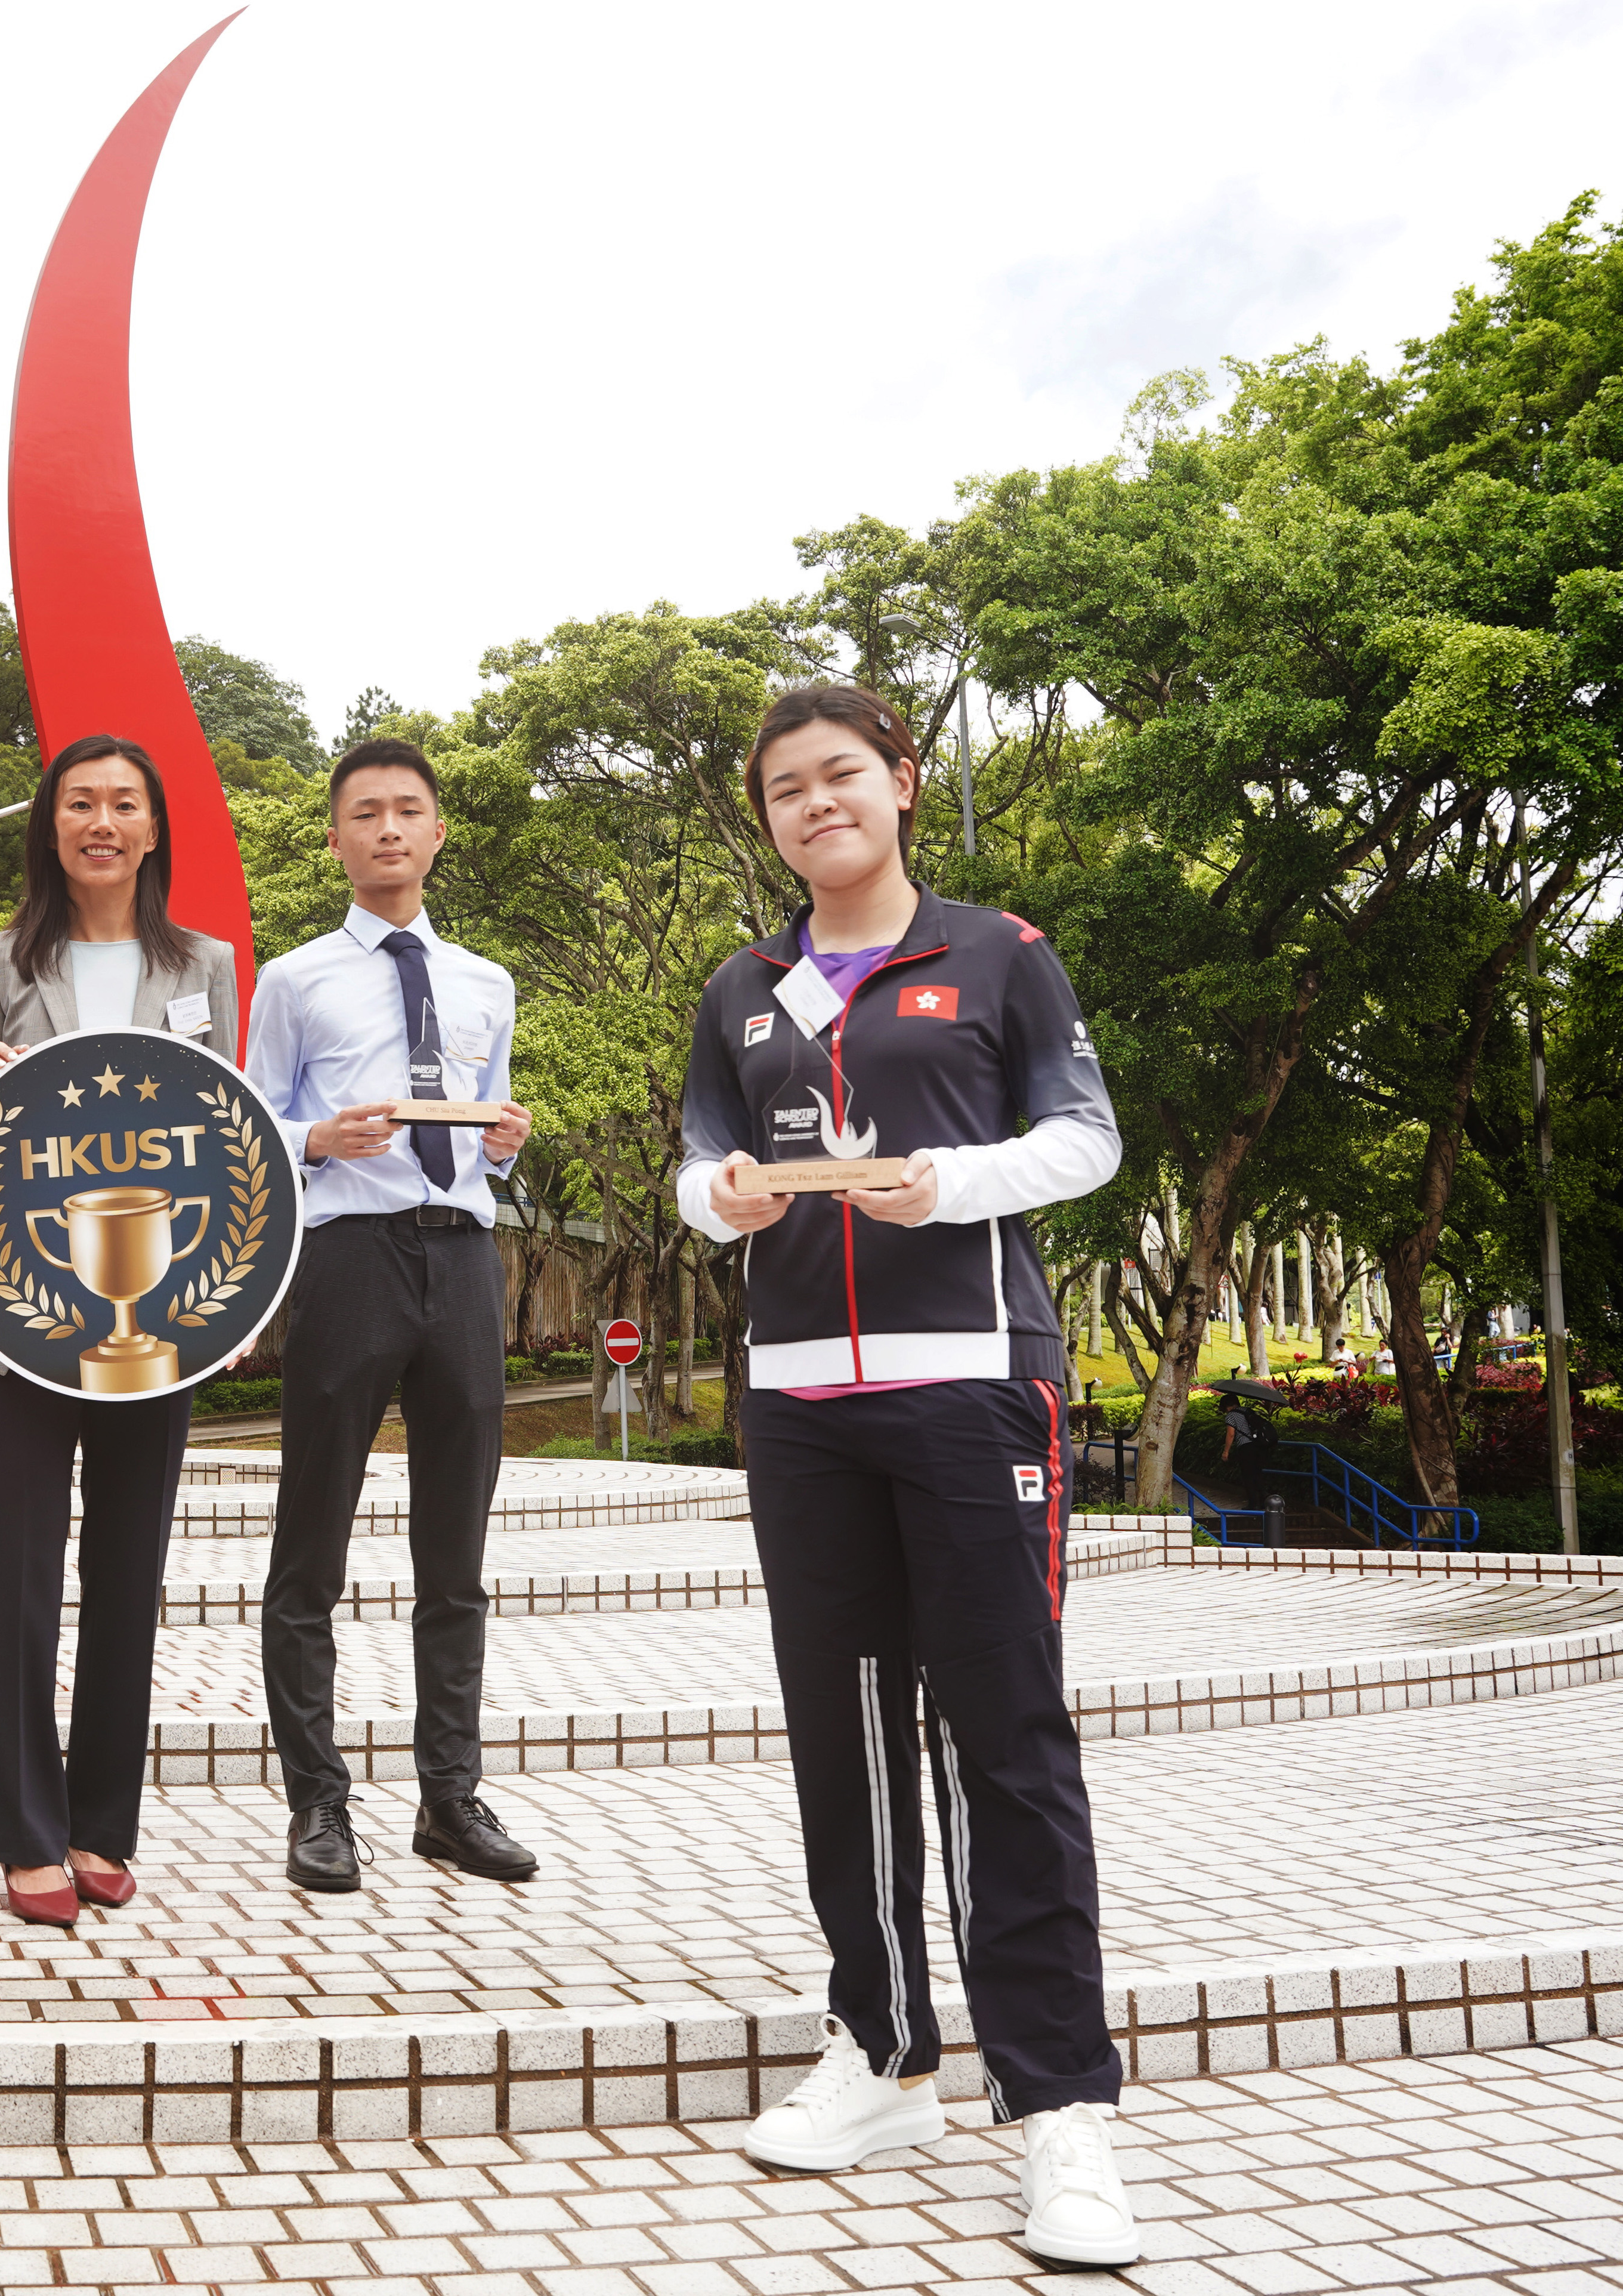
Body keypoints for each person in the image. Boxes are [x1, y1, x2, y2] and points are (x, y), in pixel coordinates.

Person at [675, 684, 1136, 2267]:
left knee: (1006, 1734)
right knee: (847, 1738)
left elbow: (1084, 1139)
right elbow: (697, 1166)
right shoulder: (744, 988)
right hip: (800, 1399)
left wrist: (948, 1185)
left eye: (842, 775)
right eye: (786, 788)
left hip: (972, 1384)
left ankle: (1059, 2103)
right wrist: (723, 1201)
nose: (817, 803)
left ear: (902, 784)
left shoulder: (998, 953)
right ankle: (879, 2053)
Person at [0, 735, 239, 1926]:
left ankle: (101, 1822)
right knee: (15, 1572)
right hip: (17, 1312)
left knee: (128, 1571)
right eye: (80, 802)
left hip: (156, 1320)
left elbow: (227, 1133)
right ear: (51, 823)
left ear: (154, 827)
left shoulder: (206, 964)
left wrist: (225, 1292)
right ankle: (23, 1830)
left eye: (124, 803)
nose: (102, 821)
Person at [245, 736, 536, 1895]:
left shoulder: (485, 982)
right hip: (347, 1256)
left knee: (454, 1554)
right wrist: (319, 1136)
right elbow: (251, 1123)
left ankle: (449, 1798)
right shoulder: (295, 978)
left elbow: (488, 1122)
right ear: (336, 839)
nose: (387, 830)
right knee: (310, 1546)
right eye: (364, 813)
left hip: (462, 1259)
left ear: (437, 831)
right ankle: (318, 1803)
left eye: (407, 810)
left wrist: (505, 1143)